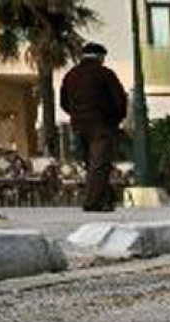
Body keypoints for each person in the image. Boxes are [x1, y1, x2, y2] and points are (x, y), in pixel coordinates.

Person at [61, 42, 128, 212]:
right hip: (101, 125)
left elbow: (64, 102)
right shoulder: (105, 74)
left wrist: (75, 114)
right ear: (100, 57)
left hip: (78, 125)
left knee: (90, 163)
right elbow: (120, 100)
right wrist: (115, 120)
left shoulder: (71, 75)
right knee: (99, 164)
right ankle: (93, 202)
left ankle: (107, 199)